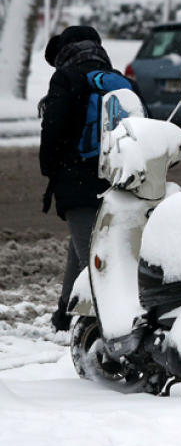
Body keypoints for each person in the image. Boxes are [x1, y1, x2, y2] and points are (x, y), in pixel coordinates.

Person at [40, 26, 135, 332]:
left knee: (91, 263)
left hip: (77, 180)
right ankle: (64, 316)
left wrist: (52, 169)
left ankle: (100, 332)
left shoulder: (66, 78)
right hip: (119, 176)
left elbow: (52, 130)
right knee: (80, 247)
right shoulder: (121, 81)